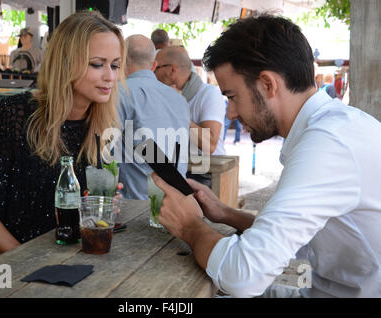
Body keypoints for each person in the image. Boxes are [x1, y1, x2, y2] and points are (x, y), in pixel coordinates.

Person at [151, 14, 381, 298]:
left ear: (268, 84)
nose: (231, 114)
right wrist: (225, 214)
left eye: (232, 97)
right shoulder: (334, 126)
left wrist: (190, 227)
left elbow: (244, 275)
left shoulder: (328, 144)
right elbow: (299, 238)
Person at [0, 10, 126, 281]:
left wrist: (97, 206)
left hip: (54, 267)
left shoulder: (99, 129)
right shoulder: (15, 115)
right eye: (97, 64)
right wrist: (33, 267)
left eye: (116, 65)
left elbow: (67, 209)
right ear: (66, 63)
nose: (111, 76)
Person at [117, 34, 190, 200]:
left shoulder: (119, 93)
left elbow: (104, 153)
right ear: (154, 65)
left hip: (136, 206)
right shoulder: (180, 99)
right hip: (178, 201)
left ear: (121, 61)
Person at [155, 46, 226, 187]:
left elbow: (209, 145)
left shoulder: (208, 94)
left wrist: (177, 107)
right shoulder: (163, 95)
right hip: (176, 168)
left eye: (156, 68)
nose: (153, 73)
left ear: (172, 69)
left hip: (206, 173)